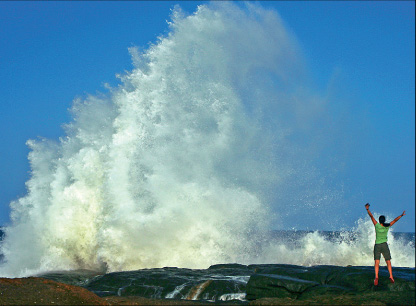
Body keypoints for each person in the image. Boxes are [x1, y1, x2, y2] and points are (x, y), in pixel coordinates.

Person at [365, 203, 405, 285]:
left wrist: (367, 209)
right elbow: (395, 220)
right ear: (384, 220)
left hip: (377, 245)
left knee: (377, 262)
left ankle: (376, 276)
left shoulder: (377, 226)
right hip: (384, 245)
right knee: (388, 261)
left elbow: (371, 216)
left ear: (379, 221)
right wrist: (401, 215)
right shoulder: (387, 226)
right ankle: (391, 276)